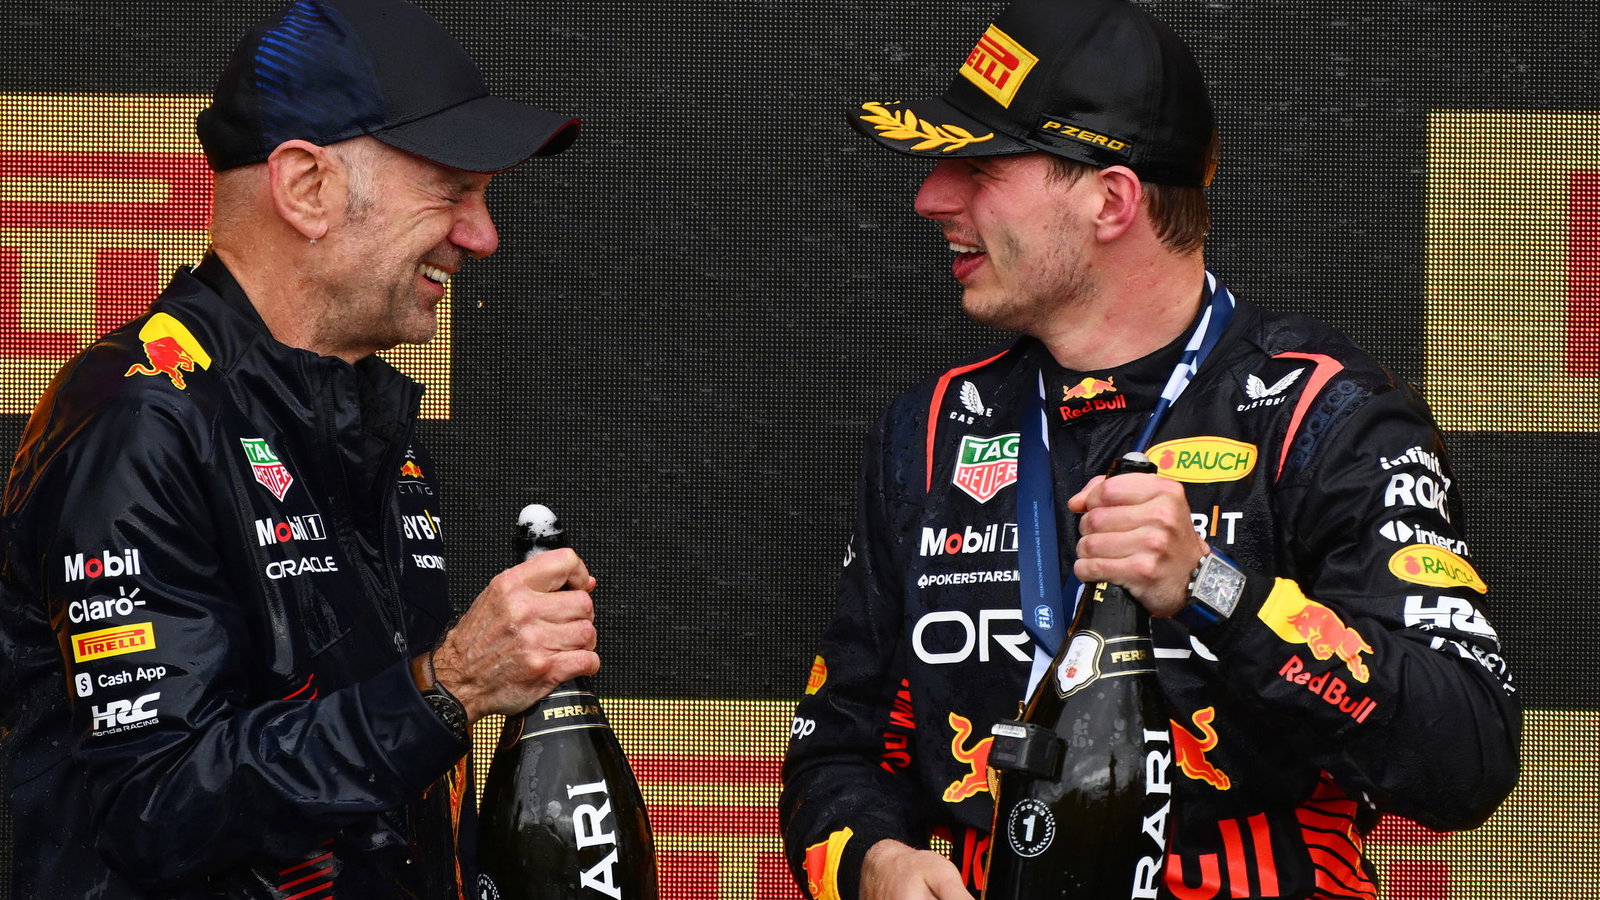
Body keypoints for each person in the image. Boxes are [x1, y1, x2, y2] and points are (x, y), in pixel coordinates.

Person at [779, 1, 1520, 898]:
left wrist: (1215, 591)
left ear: (1111, 198)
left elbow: (1467, 755)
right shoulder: (932, 428)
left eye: (976, 166)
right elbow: (837, 747)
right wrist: (872, 863)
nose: (932, 197)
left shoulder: (1319, 411)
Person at [0, 0, 598, 896]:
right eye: (452, 190)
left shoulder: (373, 429)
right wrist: (448, 687)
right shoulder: (139, 424)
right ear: (307, 188)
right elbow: (152, 807)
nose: (482, 235)